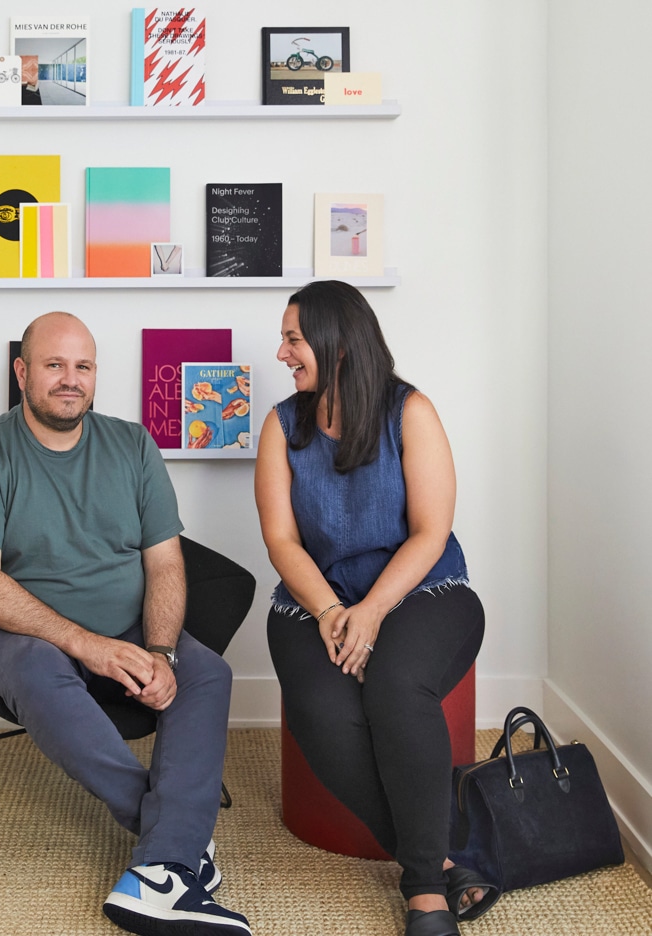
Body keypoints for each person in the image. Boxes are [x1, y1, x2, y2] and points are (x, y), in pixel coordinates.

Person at [0, 311, 252, 936]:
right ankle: (175, 844)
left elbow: (164, 564)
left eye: (83, 367)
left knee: (205, 674)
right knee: (41, 666)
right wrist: (86, 644)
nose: (70, 380)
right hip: (15, 628)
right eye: (54, 365)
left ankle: (161, 866)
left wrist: (159, 650)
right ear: (22, 372)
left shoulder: (131, 446)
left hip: (126, 625)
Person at [254, 281, 497, 936]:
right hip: (314, 604)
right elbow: (280, 540)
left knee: (394, 688)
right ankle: (443, 860)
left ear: (336, 344)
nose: (281, 353)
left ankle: (424, 893)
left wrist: (371, 612)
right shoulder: (281, 426)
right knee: (321, 715)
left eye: (292, 338)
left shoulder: (410, 411)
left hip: (424, 592)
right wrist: (335, 611)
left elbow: (431, 532)